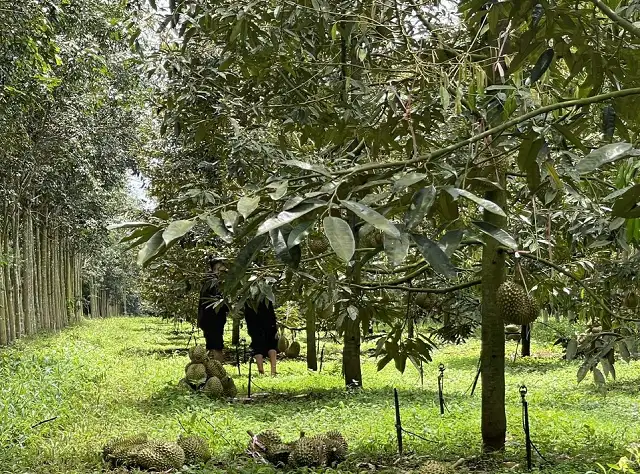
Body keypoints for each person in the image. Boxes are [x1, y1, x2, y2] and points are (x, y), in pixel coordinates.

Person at [197, 259, 229, 362]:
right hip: (212, 320)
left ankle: (211, 368)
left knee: (211, 345)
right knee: (216, 347)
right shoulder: (212, 283)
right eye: (222, 269)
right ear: (216, 269)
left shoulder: (209, 282)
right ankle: (218, 369)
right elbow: (218, 302)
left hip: (211, 319)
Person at [244, 296, 279, 376]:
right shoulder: (265, 293)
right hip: (268, 319)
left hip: (253, 320)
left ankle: (261, 371)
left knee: (257, 345)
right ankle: (273, 371)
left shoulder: (248, 295)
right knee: (271, 344)